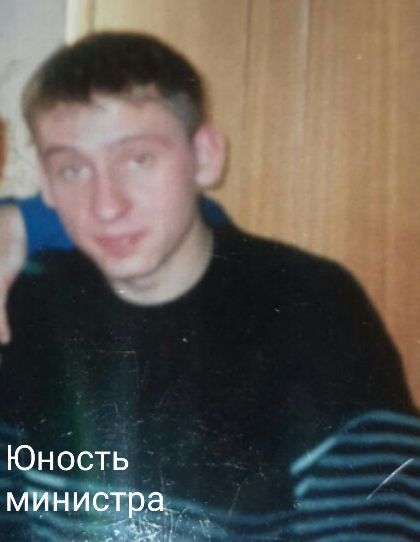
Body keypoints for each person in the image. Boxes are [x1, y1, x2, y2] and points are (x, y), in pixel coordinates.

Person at [0, 32, 419, 541]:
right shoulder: (26, 300)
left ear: (205, 155)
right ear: (45, 185)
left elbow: (374, 526)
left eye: (138, 159)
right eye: (72, 169)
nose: (107, 205)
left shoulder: (310, 307)